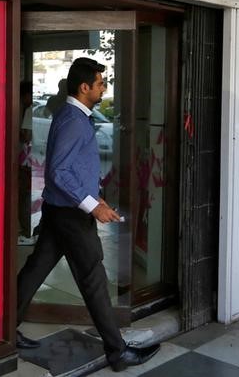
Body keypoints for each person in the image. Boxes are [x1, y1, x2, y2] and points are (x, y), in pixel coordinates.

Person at [15, 58, 160, 372]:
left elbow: (72, 169)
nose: (104, 88)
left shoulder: (74, 116)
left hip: (60, 211)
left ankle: (3, 333)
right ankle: (117, 352)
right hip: (70, 215)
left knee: (35, 270)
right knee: (93, 279)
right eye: (100, 83)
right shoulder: (72, 120)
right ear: (85, 88)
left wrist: (95, 197)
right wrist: (91, 205)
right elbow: (59, 170)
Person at [18, 81, 36, 245]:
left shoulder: (30, 110)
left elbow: (27, 136)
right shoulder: (38, 109)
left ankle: (26, 231)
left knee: (24, 196)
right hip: (33, 161)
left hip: (27, 162)